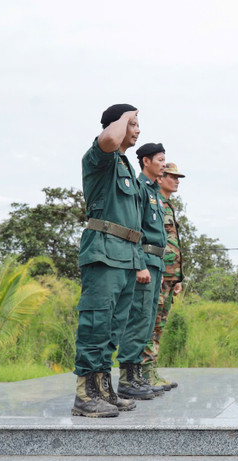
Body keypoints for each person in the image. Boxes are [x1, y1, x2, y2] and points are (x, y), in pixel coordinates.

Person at [72, 104, 144, 418]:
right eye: (134, 123)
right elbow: (110, 140)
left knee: (113, 328)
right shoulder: (100, 156)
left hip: (126, 255)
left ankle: (103, 389)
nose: (138, 129)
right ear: (117, 124)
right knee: (95, 322)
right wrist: (123, 116)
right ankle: (84, 395)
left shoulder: (126, 165)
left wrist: (137, 259)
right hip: (103, 250)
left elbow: (136, 225)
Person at [116, 142, 168, 400]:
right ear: (146, 161)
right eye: (159, 159)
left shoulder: (155, 192)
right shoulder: (139, 189)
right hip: (145, 261)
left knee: (147, 322)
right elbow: (135, 229)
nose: (163, 164)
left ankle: (137, 375)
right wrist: (140, 264)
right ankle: (127, 379)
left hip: (157, 263)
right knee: (137, 319)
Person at [141, 162, 186, 390]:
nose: (177, 180)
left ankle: (152, 373)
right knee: (150, 324)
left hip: (169, 277)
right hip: (155, 273)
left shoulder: (167, 205)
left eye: (178, 177)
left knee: (159, 326)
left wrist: (176, 278)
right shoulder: (153, 202)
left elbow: (173, 244)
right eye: (172, 176)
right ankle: (142, 374)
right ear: (160, 178)